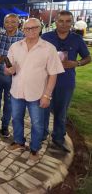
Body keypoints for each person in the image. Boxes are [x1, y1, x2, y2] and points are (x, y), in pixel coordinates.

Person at [5, 18, 64, 163]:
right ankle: (19, 141)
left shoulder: (48, 48)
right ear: (23, 29)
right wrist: (9, 70)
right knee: (16, 119)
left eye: (34, 28)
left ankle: (35, 148)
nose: (30, 31)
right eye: (27, 28)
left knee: (37, 123)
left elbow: (53, 74)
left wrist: (47, 95)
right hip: (17, 92)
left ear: (40, 29)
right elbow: (8, 70)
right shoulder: (15, 46)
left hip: (37, 94)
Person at [42, 11, 91, 152]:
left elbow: (88, 58)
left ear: (72, 22)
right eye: (61, 21)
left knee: (61, 112)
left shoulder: (77, 39)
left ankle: (58, 138)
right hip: (45, 80)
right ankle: (42, 134)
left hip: (65, 82)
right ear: (55, 22)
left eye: (67, 21)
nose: (64, 24)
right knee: (43, 109)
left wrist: (77, 63)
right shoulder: (46, 37)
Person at [0, 14, 24, 137]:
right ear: (4, 23)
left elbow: (25, 58)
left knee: (9, 102)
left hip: (12, 77)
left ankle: (5, 126)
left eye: (13, 22)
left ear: (18, 23)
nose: (10, 24)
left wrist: (6, 58)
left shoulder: (23, 37)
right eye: (7, 22)